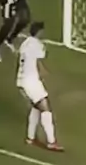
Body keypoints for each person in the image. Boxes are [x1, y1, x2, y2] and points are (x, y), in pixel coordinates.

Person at [16, 22, 63, 152]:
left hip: (21, 81)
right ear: (39, 32)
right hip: (31, 82)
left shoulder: (25, 43)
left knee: (36, 107)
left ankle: (30, 138)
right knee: (45, 108)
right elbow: (38, 60)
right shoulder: (37, 45)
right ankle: (51, 142)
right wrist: (43, 72)